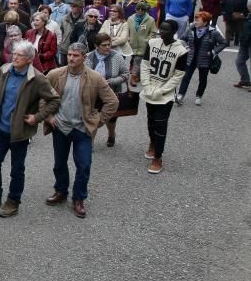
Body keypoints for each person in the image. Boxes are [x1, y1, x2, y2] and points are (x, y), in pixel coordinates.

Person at [0, 40, 60, 219]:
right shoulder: (4, 70)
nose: (14, 57)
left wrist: (37, 117)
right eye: (13, 54)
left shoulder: (38, 78)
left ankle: (13, 202)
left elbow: (54, 100)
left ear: (29, 59)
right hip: (0, 128)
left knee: (17, 169)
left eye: (19, 55)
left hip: (20, 132)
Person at [43, 43, 118, 218]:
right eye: (69, 54)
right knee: (59, 163)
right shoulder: (55, 74)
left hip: (82, 129)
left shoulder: (95, 77)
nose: (71, 58)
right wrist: (48, 116)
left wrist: (97, 121)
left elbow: (112, 102)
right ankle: (61, 191)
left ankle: (79, 198)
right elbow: (42, 96)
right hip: (60, 127)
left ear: (84, 58)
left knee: (84, 165)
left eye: (75, 55)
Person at [140, 20, 189, 175]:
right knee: (150, 120)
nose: (162, 32)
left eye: (166, 30)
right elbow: (145, 65)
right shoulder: (152, 43)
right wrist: (146, 85)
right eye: (161, 28)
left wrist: (162, 91)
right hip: (149, 90)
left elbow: (177, 76)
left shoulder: (181, 51)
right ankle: (153, 142)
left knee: (160, 124)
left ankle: (158, 157)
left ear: (174, 31)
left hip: (164, 95)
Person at [85, 33, 130, 147]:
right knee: (93, 117)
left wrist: (111, 81)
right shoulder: (88, 57)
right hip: (93, 93)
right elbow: (83, 75)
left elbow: (125, 74)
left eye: (109, 44)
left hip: (111, 92)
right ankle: (90, 143)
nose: (108, 47)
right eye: (104, 45)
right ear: (96, 45)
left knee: (111, 118)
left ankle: (111, 134)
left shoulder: (117, 57)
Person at [176, 11, 227, 106]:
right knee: (186, 77)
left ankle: (199, 96)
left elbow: (224, 43)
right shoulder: (191, 29)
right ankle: (180, 95)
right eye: (195, 20)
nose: (195, 22)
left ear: (205, 22)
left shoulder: (213, 32)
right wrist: (187, 47)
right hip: (191, 58)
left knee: (202, 79)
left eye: (198, 20)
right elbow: (182, 39)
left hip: (204, 60)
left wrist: (213, 51)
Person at [235, 0, 251, 89]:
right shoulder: (248, 15)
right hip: (244, 43)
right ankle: (245, 80)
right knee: (239, 61)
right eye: (249, 6)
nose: (249, 8)